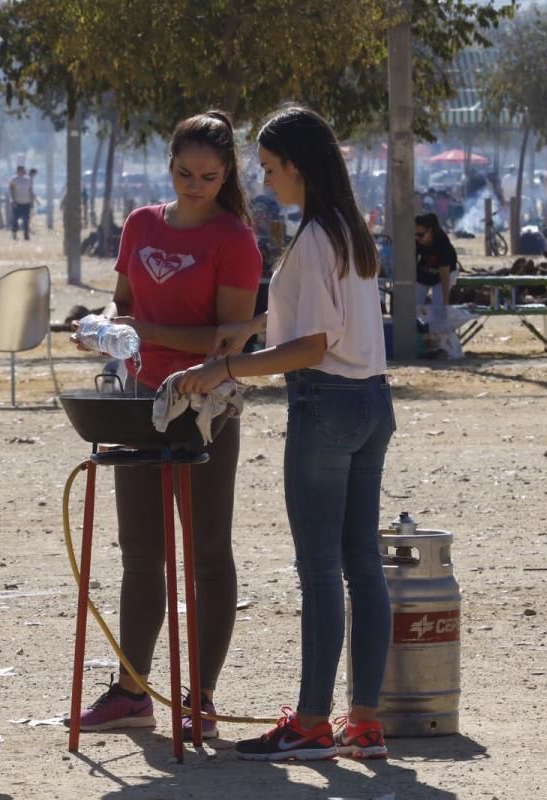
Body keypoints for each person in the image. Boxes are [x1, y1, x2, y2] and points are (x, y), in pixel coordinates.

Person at [176, 104, 393, 762]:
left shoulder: (318, 235)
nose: (266, 180)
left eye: (271, 169)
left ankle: (310, 723)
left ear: (297, 166)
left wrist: (226, 368)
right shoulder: (347, 229)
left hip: (325, 405)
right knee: (362, 566)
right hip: (372, 403)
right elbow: (317, 316)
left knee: (322, 569)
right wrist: (251, 327)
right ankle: (365, 720)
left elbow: (312, 344)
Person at [73, 111, 260, 741]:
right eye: (184, 172)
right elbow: (123, 304)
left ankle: (200, 696)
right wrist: (103, 327)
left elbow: (226, 339)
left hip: (205, 405)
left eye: (208, 175)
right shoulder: (141, 224)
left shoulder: (235, 239)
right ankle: (133, 691)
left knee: (208, 551)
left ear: (227, 173)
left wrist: (147, 333)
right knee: (140, 553)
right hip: (139, 398)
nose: (194, 184)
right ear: (169, 164)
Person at [414, 212, 459, 315]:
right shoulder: (416, 241)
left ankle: (437, 329)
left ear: (430, 231)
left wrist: (445, 301)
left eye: (420, 235)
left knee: (438, 307)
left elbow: (444, 276)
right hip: (424, 272)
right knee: (414, 306)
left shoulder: (442, 245)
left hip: (443, 276)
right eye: (415, 234)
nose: (417, 238)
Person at [8, 165, 34, 241]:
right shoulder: (13, 180)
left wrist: (31, 200)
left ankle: (26, 235)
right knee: (15, 219)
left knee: (26, 219)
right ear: (18, 171)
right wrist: (13, 200)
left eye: (23, 170)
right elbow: (11, 190)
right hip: (17, 203)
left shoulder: (28, 179)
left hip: (26, 203)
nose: (23, 171)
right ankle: (14, 233)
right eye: (22, 170)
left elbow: (30, 190)